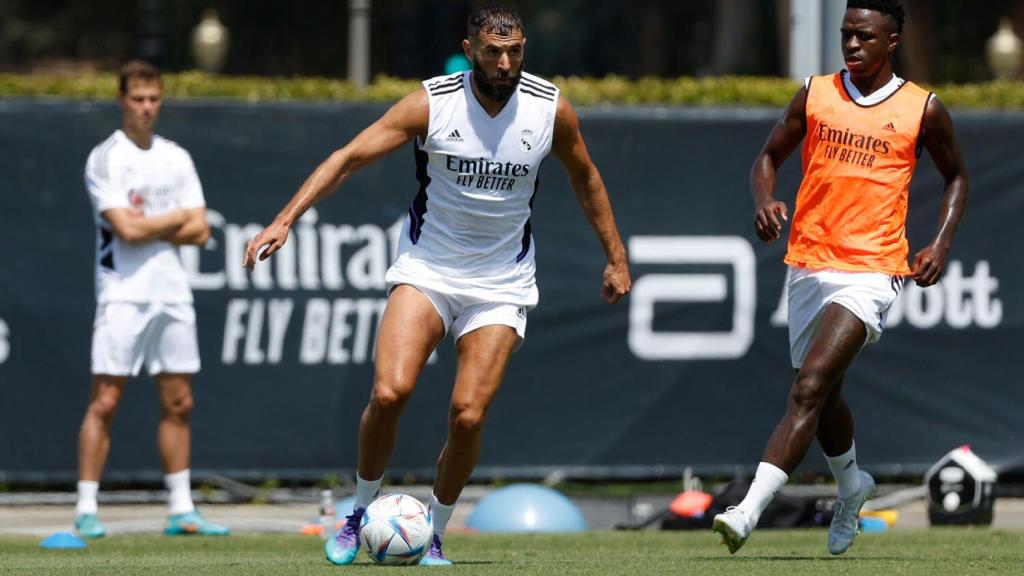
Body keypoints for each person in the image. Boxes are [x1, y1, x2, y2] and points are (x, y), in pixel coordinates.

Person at [243, 6, 631, 566]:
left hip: (502, 283)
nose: (505, 63)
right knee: (389, 392)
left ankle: (438, 532)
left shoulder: (550, 109)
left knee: (468, 414)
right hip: (427, 269)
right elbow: (350, 157)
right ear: (469, 48)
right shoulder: (434, 101)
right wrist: (285, 218)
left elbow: (586, 176)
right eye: (494, 51)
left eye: (515, 51)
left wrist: (616, 258)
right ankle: (357, 514)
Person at [712, 0, 968, 556]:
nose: (852, 45)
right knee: (824, 397)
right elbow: (767, 157)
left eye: (865, 37)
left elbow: (956, 179)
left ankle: (747, 511)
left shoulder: (922, 108)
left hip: (873, 268)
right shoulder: (815, 92)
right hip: (808, 262)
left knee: (806, 389)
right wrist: (764, 199)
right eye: (847, 35)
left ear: (892, 41)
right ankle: (853, 486)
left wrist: (940, 243)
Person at [75, 60, 229, 538]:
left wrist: (154, 224)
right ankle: (86, 508)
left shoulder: (176, 157)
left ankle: (181, 509)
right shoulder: (107, 158)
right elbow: (126, 229)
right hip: (122, 293)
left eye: (153, 99)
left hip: (171, 294)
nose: (146, 107)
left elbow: (202, 230)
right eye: (138, 99)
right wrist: (173, 220)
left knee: (179, 402)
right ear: (122, 100)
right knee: (105, 400)